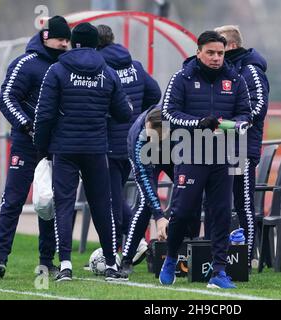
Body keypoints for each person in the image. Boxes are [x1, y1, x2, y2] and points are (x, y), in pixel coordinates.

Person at [33, 22, 133, 282]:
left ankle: (65, 265)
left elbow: (44, 115)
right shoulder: (108, 72)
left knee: (64, 205)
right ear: (95, 44)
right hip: (97, 148)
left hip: (64, 149)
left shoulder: (57, 70)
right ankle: (111, 264)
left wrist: (43, 148)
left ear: (72, 41)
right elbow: (124, 113)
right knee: (103, 206)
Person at [159, 31, 252, 289]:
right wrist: (198, 124)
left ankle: (218, 271)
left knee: (221, 213)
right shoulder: (182, 78)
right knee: (182, 212)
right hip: (190, 154)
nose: (216, 58)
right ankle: (170, 258)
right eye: (210, 53)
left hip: (222, 156)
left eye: (220, 53)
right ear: (198, 51)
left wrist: (240, 124)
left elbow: (247, 112)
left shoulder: (235, 80)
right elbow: (168, 113)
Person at [0, 16, 71, 278]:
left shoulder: (66, 65)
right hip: (25, 145)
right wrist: (27, 125)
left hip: (53, 147)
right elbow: (6, 98)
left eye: (68, 39)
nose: (65, 43)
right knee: (12, 200)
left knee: (47, 203)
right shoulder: (26, 63)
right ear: (46, 37)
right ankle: (0, 258)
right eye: (61, 38)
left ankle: (46, 262)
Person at [96, 25, 162, 264]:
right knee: (118, 196)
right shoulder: (135, 66)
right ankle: (136, 243)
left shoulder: (99, 68)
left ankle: (115, 252)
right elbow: (155, 94)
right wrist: (136, 117)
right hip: (134, 141)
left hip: (110, 142)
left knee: (111, 199)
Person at [214, 25, 270, 271]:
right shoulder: (226, 70)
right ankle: (220, 253)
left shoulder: (251, 70)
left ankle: (246, 257)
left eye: (220, 46)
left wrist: (227, 125)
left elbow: (257, 110)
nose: (217, 53)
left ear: (232, 46)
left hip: (242, 148)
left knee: (243, 202)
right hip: (221, 147)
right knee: (218, 201)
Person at [120, 105, 172, 275]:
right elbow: (145, 181)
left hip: (172, 153)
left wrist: (167, 216)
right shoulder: (138, 138)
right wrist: (158, 216)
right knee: (145, 204)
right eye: (151, 135)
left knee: (188, 194)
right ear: (147, 123)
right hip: (146, 158)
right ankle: (127, 259)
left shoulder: (177, 127)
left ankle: (184, 248)